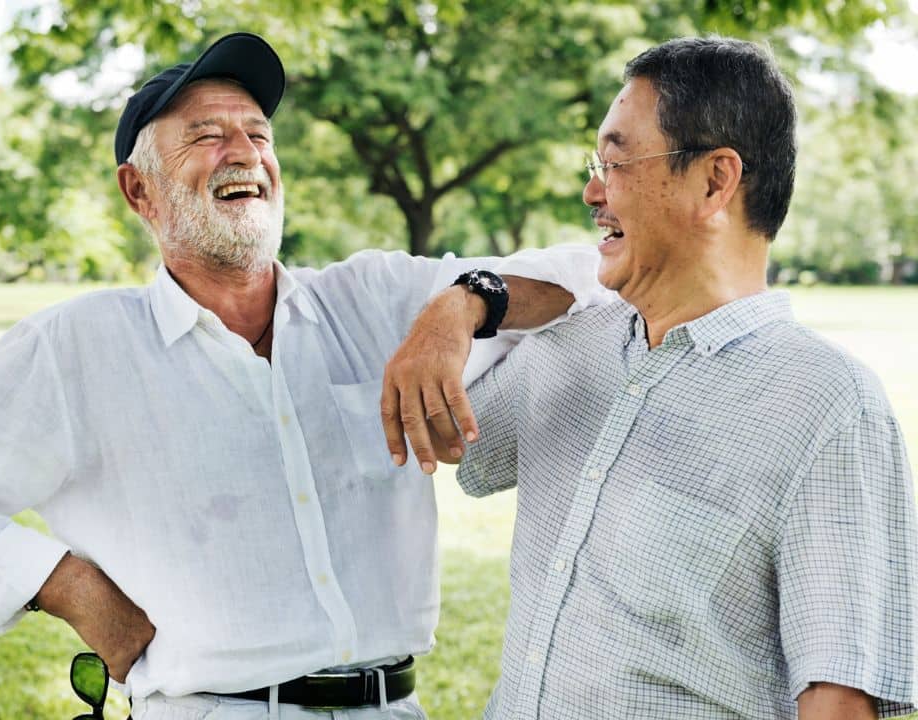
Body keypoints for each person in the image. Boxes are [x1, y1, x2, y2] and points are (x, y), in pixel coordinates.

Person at [0, 32, 606, 720]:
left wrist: (461, 306)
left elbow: (589, 276)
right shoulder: (79, 347)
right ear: (138, 191)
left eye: (259, 134)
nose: (244, 152)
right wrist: (63, 583)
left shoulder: (371, 299)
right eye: (207, 137)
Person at [382, 37, 916, 720]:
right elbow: (435, 432)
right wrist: (463, 302)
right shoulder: (572, 345)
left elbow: (838, 701)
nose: (592, 191)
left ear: (715, 181)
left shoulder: (829, 407)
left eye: (617, 162)